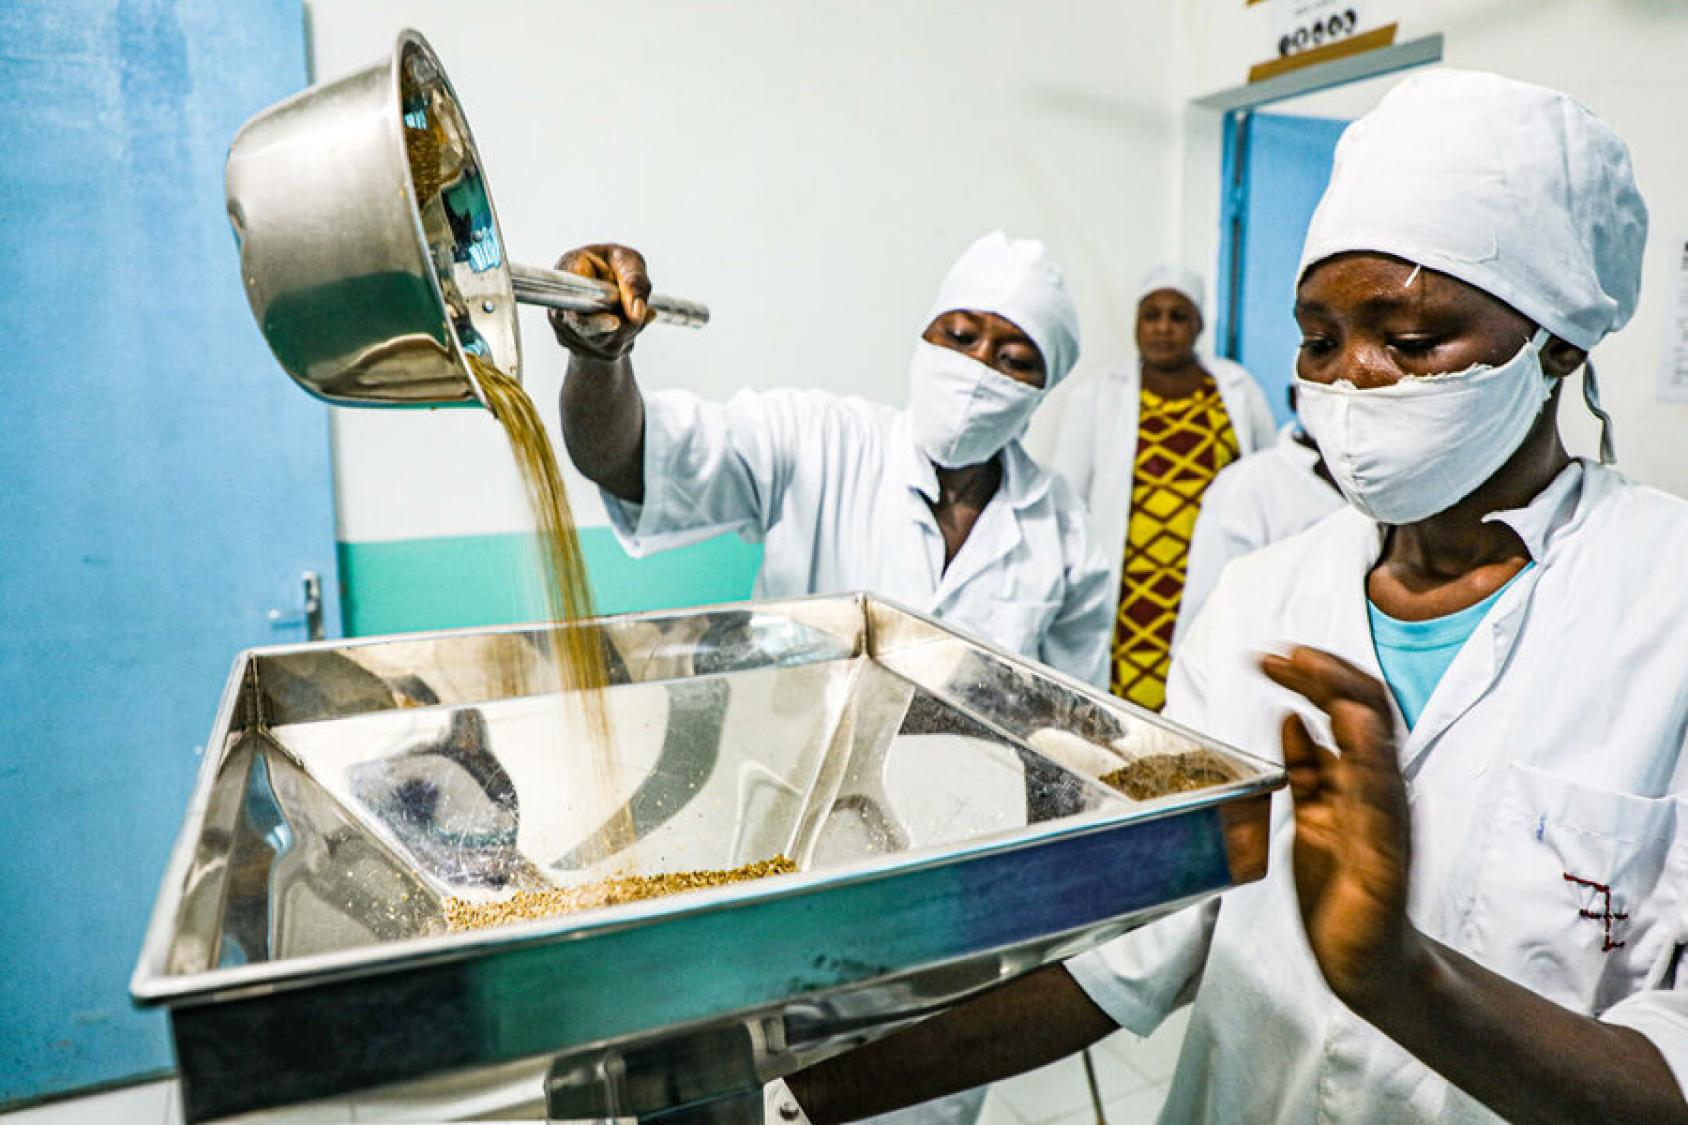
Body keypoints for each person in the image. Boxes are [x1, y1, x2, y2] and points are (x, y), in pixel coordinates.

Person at [784, 70, 1688, 1123]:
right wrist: (776, 1088)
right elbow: (1137, 950)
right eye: (1317, 339)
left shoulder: (1659, 606)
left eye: (1405, 341)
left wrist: (1403, 980)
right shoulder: (1262, 603)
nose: (1350, 380)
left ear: (1556, 339)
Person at [549, 231, 1110, 693]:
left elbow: (1066, 718)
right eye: (960, 337)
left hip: (976, 808)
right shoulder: (818, 439)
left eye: (1012, 359)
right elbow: (625, 458)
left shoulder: (1065, 532)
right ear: (925, 339)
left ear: (1042, 389)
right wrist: (598, 359)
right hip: (798, 785)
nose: (977, 368)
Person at [1051, 266, 1275, 711]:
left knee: (1204, 688)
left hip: (1212, 573)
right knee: (1117, 709)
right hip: (1128, 587)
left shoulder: (1236, 389)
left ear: (1199, 326)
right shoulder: (1097, 396)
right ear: (1136, 323)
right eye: (1151, 315)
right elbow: (1066, 499)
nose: (1163, 328)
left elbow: (1270, 478)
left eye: (1178, 316)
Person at [1172, 387, 1342, 649]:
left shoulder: (1404, 487)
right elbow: (1206, 612)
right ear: (1294, 398)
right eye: (1329, 393)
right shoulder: (1248, 483)